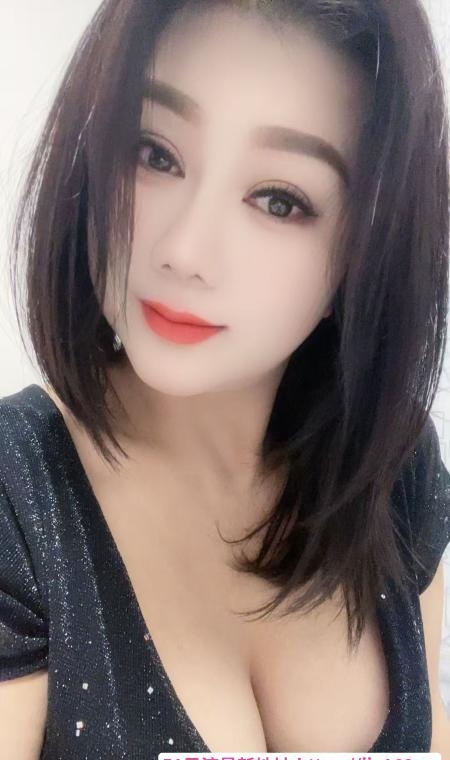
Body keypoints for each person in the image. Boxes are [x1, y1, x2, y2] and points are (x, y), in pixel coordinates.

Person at [1, 0, 450, 756]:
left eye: (279, 200)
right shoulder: (17, 498)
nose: (185, 250)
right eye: (155, 154)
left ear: (366, 251)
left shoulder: (391, 469)